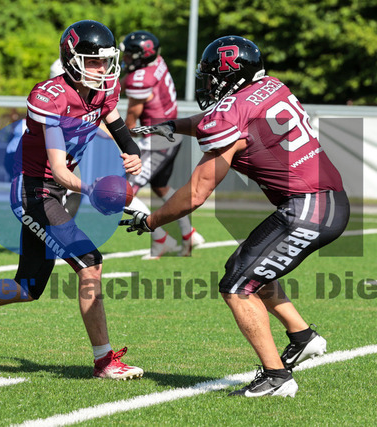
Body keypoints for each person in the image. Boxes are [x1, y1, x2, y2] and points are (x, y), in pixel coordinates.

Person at [124, 36, 350, 397]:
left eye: (211, 77)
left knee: (237, 286)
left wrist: (150, 221)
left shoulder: (228, 114)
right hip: (326, 199)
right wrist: (173, 125)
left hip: (307, 207)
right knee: (244, 269)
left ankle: (276, 377)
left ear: (229, 75)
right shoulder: (270, 86)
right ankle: (302, 336)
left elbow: (196, 193)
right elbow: (226, 115)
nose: (208, 84)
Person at [0, 20, 144, 380]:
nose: (102, 69)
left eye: (105, 61)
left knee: (27, 287)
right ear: (72, 60)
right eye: (93, 61)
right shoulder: (51, 97)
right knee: (90, 263)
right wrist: (94, 190)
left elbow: (114, 122)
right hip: (34, 191)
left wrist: (131, 150)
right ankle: (104, 361)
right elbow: (58, 170)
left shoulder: (104, 89)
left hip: (53, 191)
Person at [120, 30, 205, 258]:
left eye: (129, 54)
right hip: (171, 133)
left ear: (141, 56)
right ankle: (189, 234)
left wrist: (110, 134)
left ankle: (161, 239)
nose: (125, 58)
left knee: (122, 193)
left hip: (156, 142)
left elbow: (130, 123)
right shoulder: (156, 62)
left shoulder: (140, 79)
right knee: (161, 187)